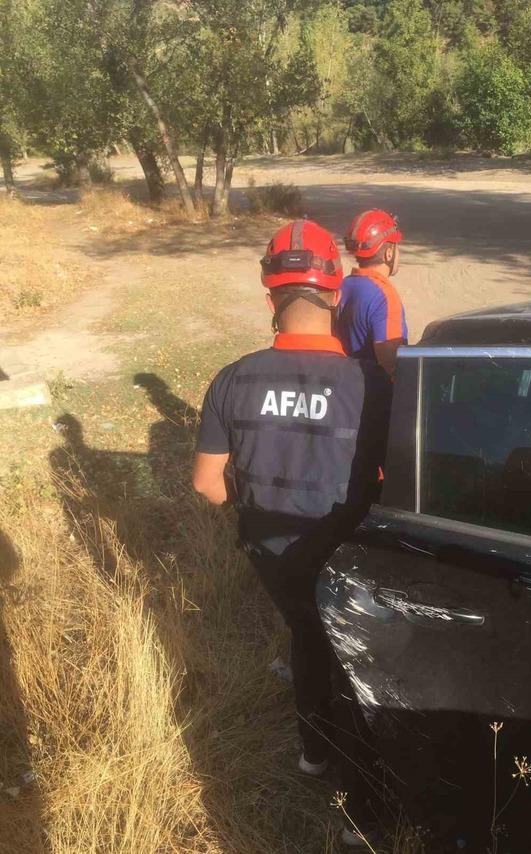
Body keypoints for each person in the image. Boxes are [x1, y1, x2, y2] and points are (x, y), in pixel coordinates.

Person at [192, 219, 391, 846]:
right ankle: (362, 794)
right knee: (352, 656)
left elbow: (206, 484)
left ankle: (313, 753)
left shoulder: (231, 379)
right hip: (349, 555)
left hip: (273, 555)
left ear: (268, 296)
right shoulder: (376, 385)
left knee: (306, 633)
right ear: (335, 291)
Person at [337, 209, 408, 376]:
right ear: (389, 253)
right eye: (396, 248)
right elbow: (392, 363)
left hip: (344, 388)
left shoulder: (342, 285)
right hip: (373, 396)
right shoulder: (384, 296)